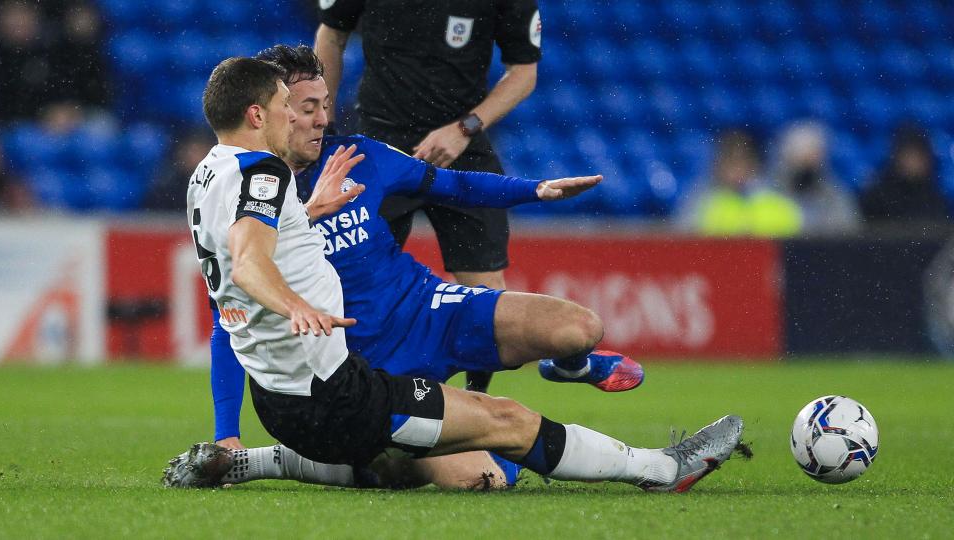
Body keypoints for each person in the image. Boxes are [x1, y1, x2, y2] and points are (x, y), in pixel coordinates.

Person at [172, 55, 745, 494]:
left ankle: (251, 461)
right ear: (258, 114)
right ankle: (664, 469)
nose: (310, 116)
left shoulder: (210, 175)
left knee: (415, 447)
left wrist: (311, 214)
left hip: (284, 397)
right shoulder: (268, 172)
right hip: (338, 391)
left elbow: (242, 257)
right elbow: (248, 262)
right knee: (507, 426)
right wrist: (294, 305)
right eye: (287, 106)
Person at [315, 0, 542, 393]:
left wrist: (465, 128)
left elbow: (523, 73)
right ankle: (348, 400)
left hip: (462, 146)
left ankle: (477, 410)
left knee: (486, 289)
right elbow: (330, 36)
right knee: (352, 284)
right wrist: (326, 123)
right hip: (380, 146)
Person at [678, 129, 803, 237]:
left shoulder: (779, 205)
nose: (736, 170)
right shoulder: (704, 205)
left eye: (742, 161)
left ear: (754, 164)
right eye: (730, 162)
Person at [772, 121, 860, 235]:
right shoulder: (770, 193)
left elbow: (847, 231)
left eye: (814, 155)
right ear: (787, 157)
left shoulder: (835, 195)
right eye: (801, 156)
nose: (808, 163)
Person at [861, 123, 950, 224]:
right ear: (897, 157)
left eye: (919, 156)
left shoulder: (936, 199)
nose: (914, 162)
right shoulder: (876, 197)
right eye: (910, 155)